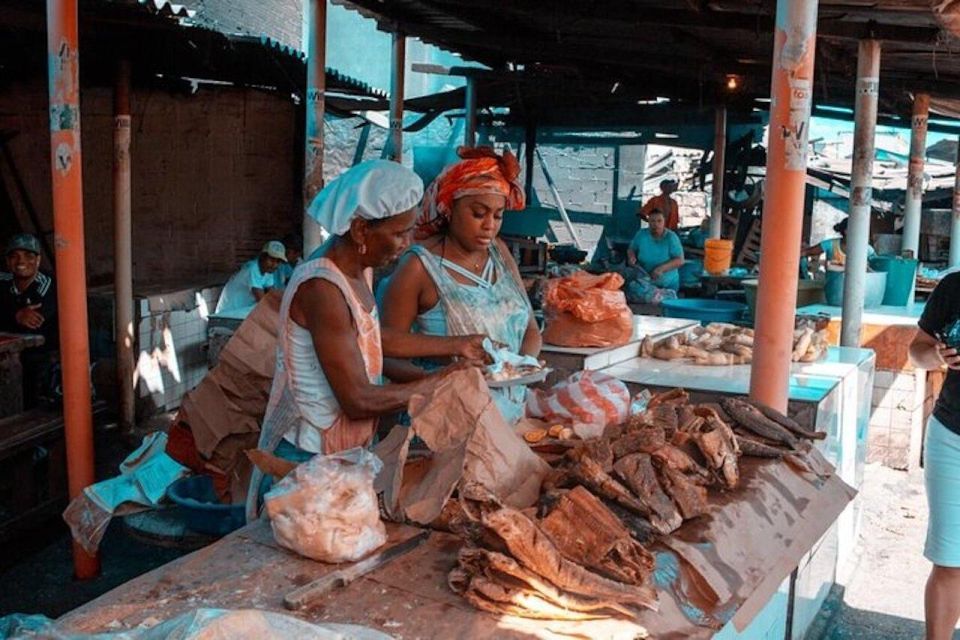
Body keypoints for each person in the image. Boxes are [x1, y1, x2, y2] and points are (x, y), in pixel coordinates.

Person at [250, 160, 476, 480]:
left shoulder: (359, 267)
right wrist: (440, 383)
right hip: (306, 456)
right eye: (399, 233)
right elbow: (358, 399)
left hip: (343, 450)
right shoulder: (322, 288)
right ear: (360, 230)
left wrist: (459, 345)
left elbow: (370, 339)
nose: (406, 244)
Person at [381, 146, 541, 424]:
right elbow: (385, 354)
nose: (489, 225)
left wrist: (518, 367)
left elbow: (531, 330)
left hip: (509, 419)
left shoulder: (499, 254)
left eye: (498, 215)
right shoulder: (420, 267)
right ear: (449, 207)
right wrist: (444, 378)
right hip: (445, 422)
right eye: (478, 214)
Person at [909, 273, 960, 640]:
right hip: (951, 438)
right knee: (950, 562)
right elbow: (918, 350)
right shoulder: (954, 287)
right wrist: (937, 355)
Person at [0, 233, 59, 406]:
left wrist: (8, 313)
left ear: (38, 260)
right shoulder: (3, 279)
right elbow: (19, 320)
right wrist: (16, 314)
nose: (21, 261)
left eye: (28, 256)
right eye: (14, 256)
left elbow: (32, 325)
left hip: (42, 354)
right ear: (7, 261)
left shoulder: (47, 284)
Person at [215, 240, 286, 313]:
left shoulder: (268, 271)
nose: (274, 265)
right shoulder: (252, 269)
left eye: (278, 261)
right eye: (271, 260)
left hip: (243, 311)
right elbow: (262, 301)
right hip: (228, 314)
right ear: (262, 257)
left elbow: (272, 294)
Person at [627, 208, 685, 291]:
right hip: (645, 281)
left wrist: (660, 269)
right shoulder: (641, 234)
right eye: (652, 221)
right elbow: (631, 249)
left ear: (664, 222)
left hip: (667, 285)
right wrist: (631, 257)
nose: (656, 224)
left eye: (659, 221)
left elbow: (680, 260)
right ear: (648, 222)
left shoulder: (671, 237)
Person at [801, 218, 876, 275]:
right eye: (857, 230)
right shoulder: (830, 244)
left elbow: (877, 264)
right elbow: (806, 252)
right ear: (846, 231)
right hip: (834, 290)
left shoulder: (866, 248)